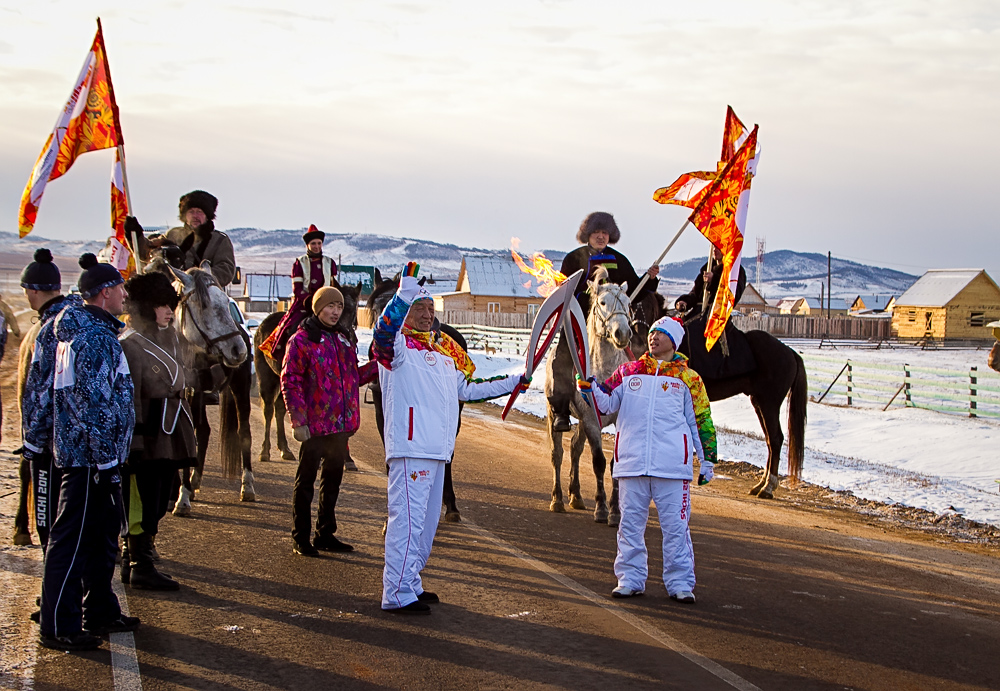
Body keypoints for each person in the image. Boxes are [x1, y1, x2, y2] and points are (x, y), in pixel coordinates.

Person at [372, 262, 529, 614]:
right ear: (406, 313)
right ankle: (395, 593)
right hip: (411, 448)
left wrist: (516, 379)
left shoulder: (444, 354)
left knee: (425, 529)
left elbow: (470, 389)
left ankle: (410, 582)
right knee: (407, 523)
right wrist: (401, 297)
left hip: (438, 450)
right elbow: (382, 334)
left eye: (431, 309)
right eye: (419, 308)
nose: (427, 314)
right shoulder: (395, 351)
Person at [32, 253, 137, 651]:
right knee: (72, 541)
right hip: (88, 460)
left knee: (96, 540)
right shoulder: (92, 338)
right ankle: (59, 625)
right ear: (105, 293)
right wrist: (107, 459)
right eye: (121, 288)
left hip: (93, 457)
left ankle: (97, 611)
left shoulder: (95, 333)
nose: (126, 295)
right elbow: (93, 404)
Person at [578, 316, 716, 604]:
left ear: (674, 341)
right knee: (629, 526)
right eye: (652, 332)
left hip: (671, 469)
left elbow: (701, 421)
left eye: (661, 333)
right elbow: (606, 403)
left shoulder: (688, 378)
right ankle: (630, 579)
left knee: (676, 530)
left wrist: (707, 461)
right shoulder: (629, 371)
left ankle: (680, 583)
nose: (653, 337)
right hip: (632, 464)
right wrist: (590, 389)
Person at [281, 286, 377, 556]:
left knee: (332, 481)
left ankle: (325, 533)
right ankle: (300, 537)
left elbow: (352, 377)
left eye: (339, 307)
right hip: (314, 427)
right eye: (330, 306)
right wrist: (298, 420)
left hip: (339, 428)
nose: (335, 312)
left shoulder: (343, 340)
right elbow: (291, 380)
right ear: (318, 308)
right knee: (306, 482)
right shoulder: (301, 340)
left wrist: (378, 365)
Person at [548, 211, 661, 432]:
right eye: (597, 232)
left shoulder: (619, 260)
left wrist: (651, 278)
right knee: (562, 357)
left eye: (605, 233)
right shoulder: (573, 259)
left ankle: (632, 406)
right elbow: (561, 288)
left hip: (609, 326)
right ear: (587, 234)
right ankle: (561, 411)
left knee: (634, 358)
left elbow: (635, 291)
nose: (601, 237)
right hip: (577, 321)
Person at [119, 272, 197, 590]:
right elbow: (132, 397)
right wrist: (135, 443)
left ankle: (139, 552)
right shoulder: (130, 345)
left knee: (163, 494)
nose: (168, 311)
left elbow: (182, 375)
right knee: (141, 497)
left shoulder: (170, 338)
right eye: (162, 305)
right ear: (146, 307)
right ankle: (139, 561)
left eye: (170, 305)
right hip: (148, 434)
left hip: (170, 432)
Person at [673, 245, 754, 381]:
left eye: (719, 247)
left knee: (695, 331)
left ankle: (703, 375)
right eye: (714, 247)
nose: (715, 250)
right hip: (698, 312)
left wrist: (715, 280)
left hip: (718, 314)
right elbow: (695, 293)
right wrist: (684, 302)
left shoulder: (735, 271)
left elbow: (733, 295)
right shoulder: (707, 268)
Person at [260, 224, 338, 363]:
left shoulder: (329, 262)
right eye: (313, 244)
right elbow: (297, 289)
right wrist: (309, 300)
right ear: (307, 245)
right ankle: (284, 356)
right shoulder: (299, 263)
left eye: (319, 243)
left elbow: (333, 285)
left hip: (327, 304)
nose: (316, 246)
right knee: (290, 328)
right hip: (305, 303)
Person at [126, 189, 236, 286]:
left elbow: (225, 270)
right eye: (191, 212)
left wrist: (197, 278)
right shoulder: (173, 235)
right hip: (172, 294)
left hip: (206, 297)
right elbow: (146, 252)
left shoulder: (219, 241)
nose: (195, 216)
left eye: (199, 212)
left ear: (208, 216)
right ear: (185, 215)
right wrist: (136, 235)